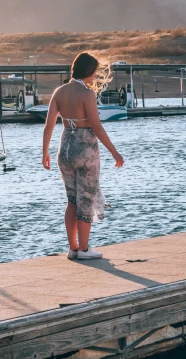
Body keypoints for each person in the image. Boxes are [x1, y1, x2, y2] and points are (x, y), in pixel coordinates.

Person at [42, 52, 124, 260]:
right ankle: (85, 250)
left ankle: (73, 248)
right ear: (88, 71)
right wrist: (114, 152)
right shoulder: (87, 93)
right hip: (85, 148)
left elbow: (49, 124)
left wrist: (45, 152)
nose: (96, 75)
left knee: (71, 200)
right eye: (95, 71)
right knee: (86, 198)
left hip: (65, 148)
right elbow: (96, 126)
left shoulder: (59, 92)